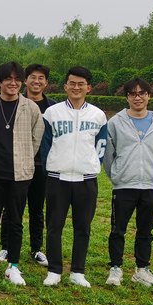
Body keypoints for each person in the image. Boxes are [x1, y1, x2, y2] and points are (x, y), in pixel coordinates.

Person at [0, 61, 45, 286]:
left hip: (20, 174)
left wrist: (24, 157)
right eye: (8, 79)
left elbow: (36, 139)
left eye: (17, 79)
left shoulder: (31, 108)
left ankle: (13, 266)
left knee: (16, 221)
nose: (13, 83)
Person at [39, 66, 108, 288]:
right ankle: (54, 270)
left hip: (86, 180)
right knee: (54, 226)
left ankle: (78, 271)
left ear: (89, 88)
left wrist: (91, 165)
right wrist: (51, 167)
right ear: (65, 86)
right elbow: (45, 145)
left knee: (83, 227)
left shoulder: (98, 115)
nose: (76, 87)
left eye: (81, 84)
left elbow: (101, 146)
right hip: (57, 178)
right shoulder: (52, 113)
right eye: (72, 83)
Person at [103, 78, 153, 287]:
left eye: (141, 93)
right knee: (118, 229)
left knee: (145, 231)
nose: (137, 97)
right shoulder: (115, 122)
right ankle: (116, 268)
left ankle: (142, 269)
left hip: (151, 185)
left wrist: (151, 171)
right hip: (124, 184)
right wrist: (117, 175)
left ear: (149, 96)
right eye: (132, 94)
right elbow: (108, 155)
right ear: (127, 97)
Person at [18, 63, 55, 267]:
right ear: (26, 80)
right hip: (18, 163)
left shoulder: (53, 108)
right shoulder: (15, 103)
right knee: (13, 206)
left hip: (42, 165)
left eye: (41, 78)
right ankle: (7, 247)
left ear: (46, 83)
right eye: (33, 77)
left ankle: (36, 248)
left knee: (37, 208)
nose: (36, 81)